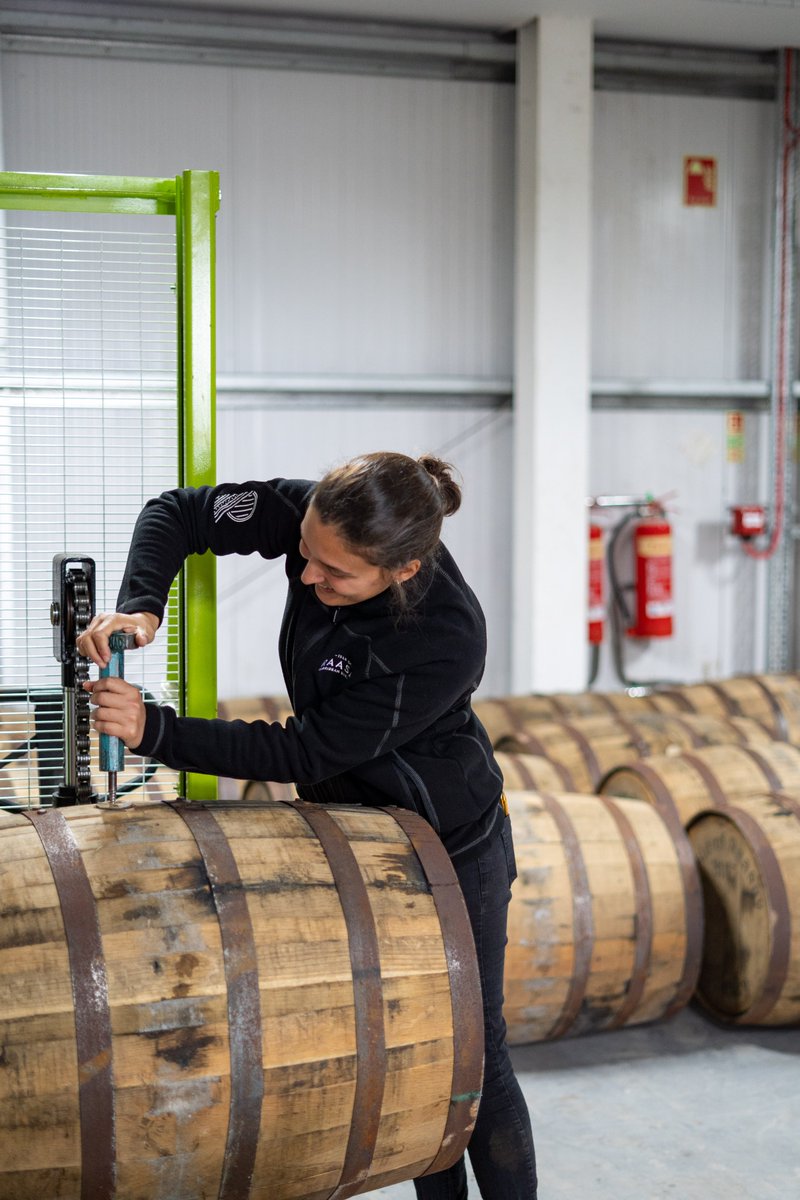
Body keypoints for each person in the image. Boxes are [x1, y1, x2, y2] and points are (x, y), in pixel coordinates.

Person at [78, 451, 538, 1200]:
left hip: (449, 840)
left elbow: (302, 747)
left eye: (335, 574)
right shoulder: (323, 515)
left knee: (473, 1053)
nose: (307, 578)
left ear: (404, 570)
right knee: (408, 1053)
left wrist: (152, 731)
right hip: (347, 828)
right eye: (305, 555)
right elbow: (178, 511)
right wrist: (141, 607)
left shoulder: (445, 639)